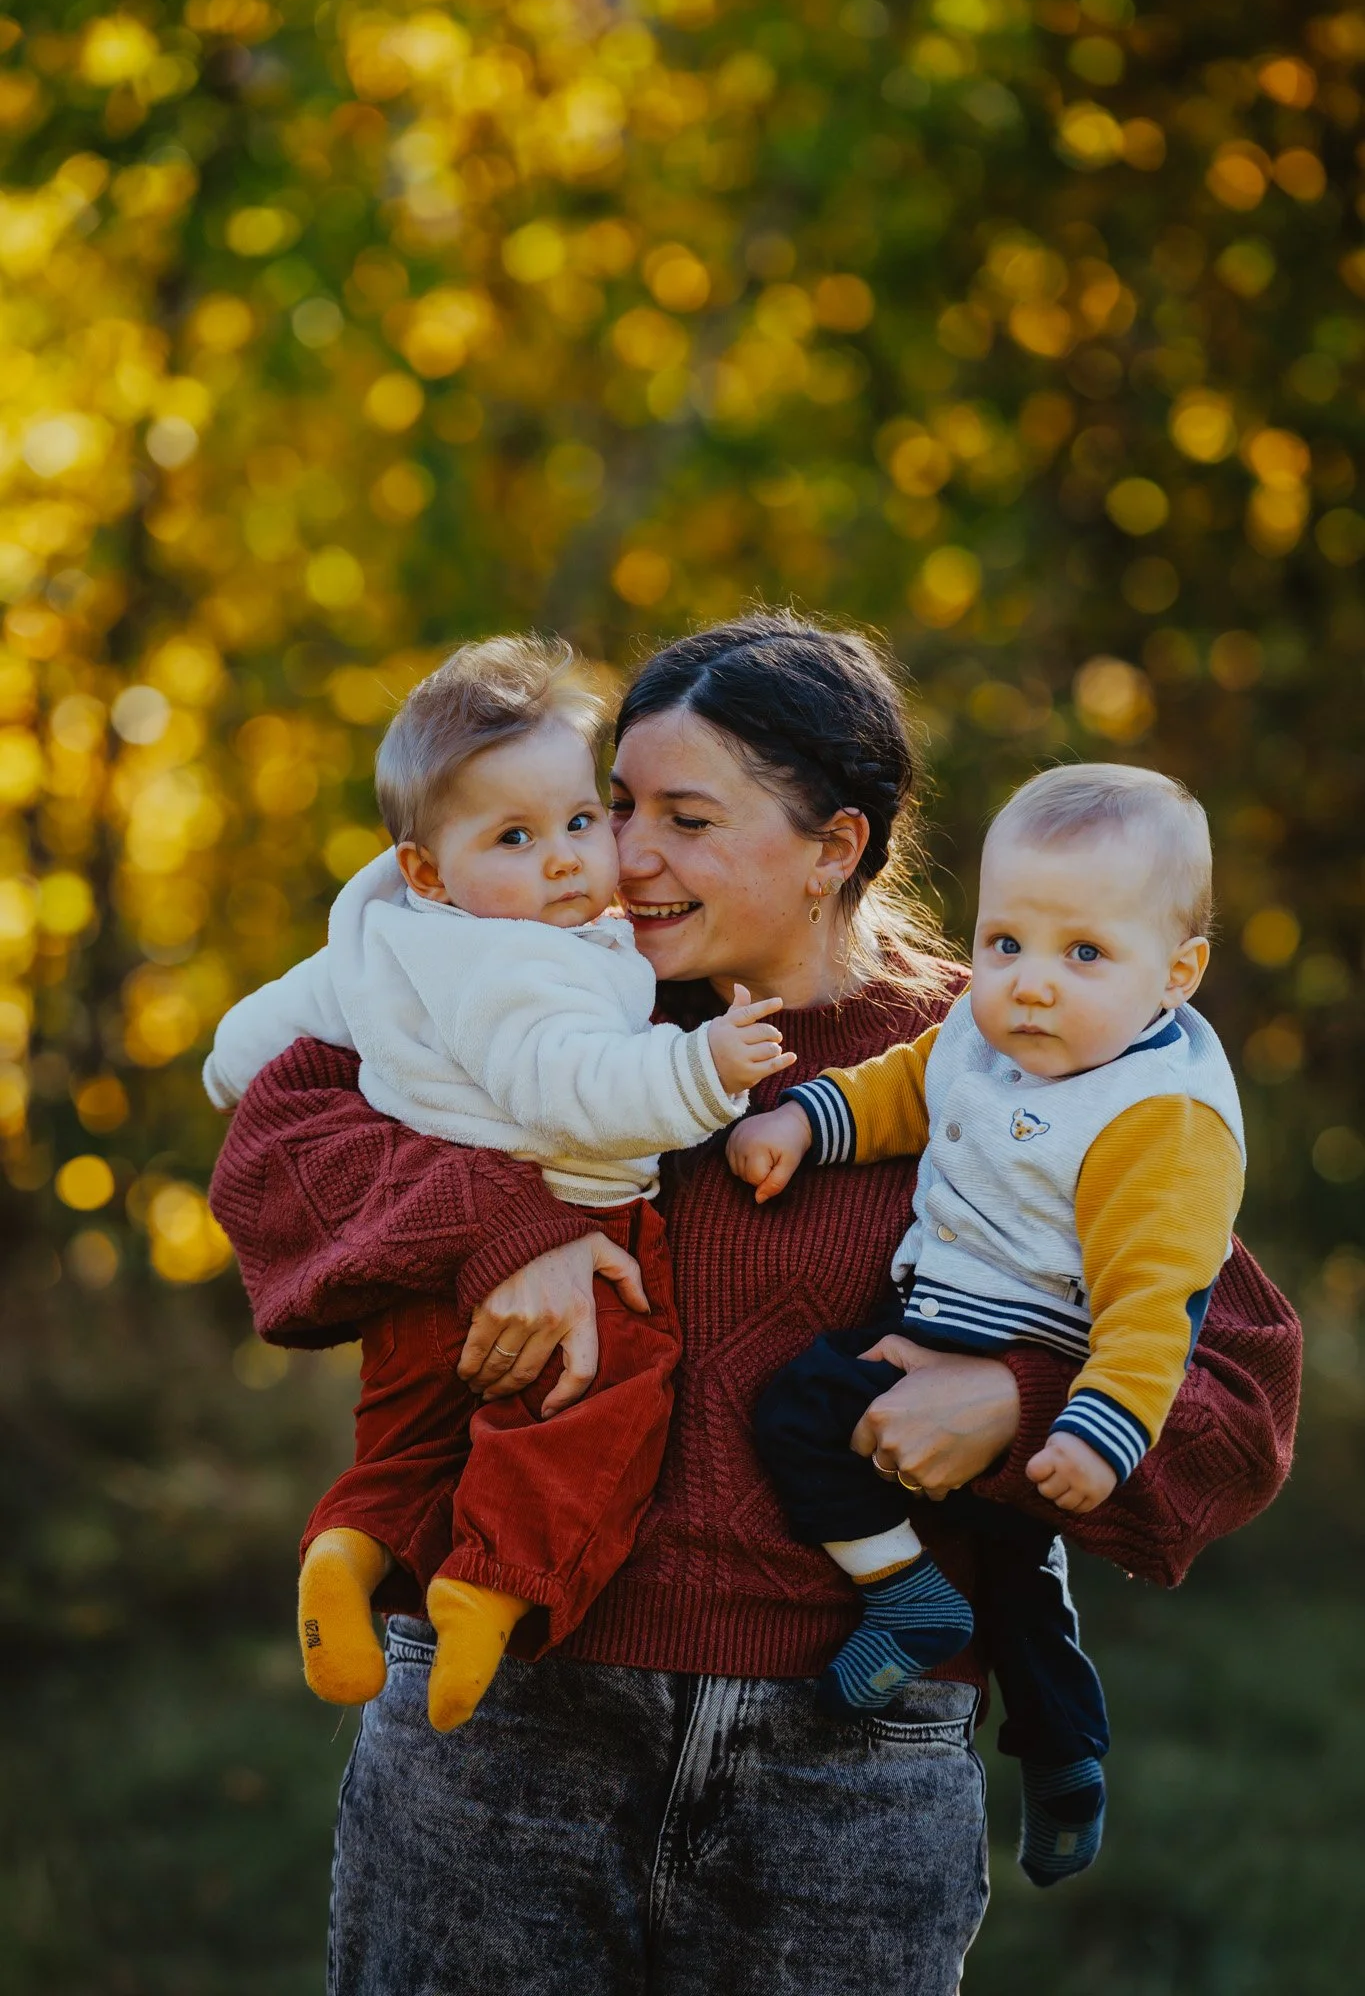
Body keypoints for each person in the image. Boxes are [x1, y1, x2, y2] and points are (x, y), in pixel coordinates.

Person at [209, 612, 1301, 1996]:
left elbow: (1240, 1394)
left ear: (835, 846)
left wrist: (1017, 1400)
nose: (627, 855)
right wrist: (508, 1227)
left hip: (844, 1775)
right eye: (616, 809)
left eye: (686, 817)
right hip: (500, 1732)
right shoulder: (531, 992)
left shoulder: (1015, 1055)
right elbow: (273, 1148)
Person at [204, 635, 792, 1730]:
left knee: (412, 1431)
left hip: (419, 1275)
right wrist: (699, 1070)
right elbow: (574, 1085)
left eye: (581, 820)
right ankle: (492, 1581)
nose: (570, 860)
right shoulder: (530, 964)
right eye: (515, 838)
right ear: (431, 867)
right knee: (603, 1393)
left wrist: (223, 1061)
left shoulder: (390, 933)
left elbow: (263, 1038)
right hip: (570, 1198)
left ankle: (348, 1542)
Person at [731, 761, 1243, 1886]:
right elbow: (906, 1085)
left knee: (1024, 1593)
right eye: (1006, 941)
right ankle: (907, 1592)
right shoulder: (978, 1025)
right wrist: (809, 1121)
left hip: (1039, 1359)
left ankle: (1065, 1760)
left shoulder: (1160, 1122)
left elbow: (1160, 1309)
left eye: (1086, 954)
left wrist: (1086, 1427)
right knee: (810, 1410)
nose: (1031, 986)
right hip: (928, 1326)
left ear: (1179, 972)